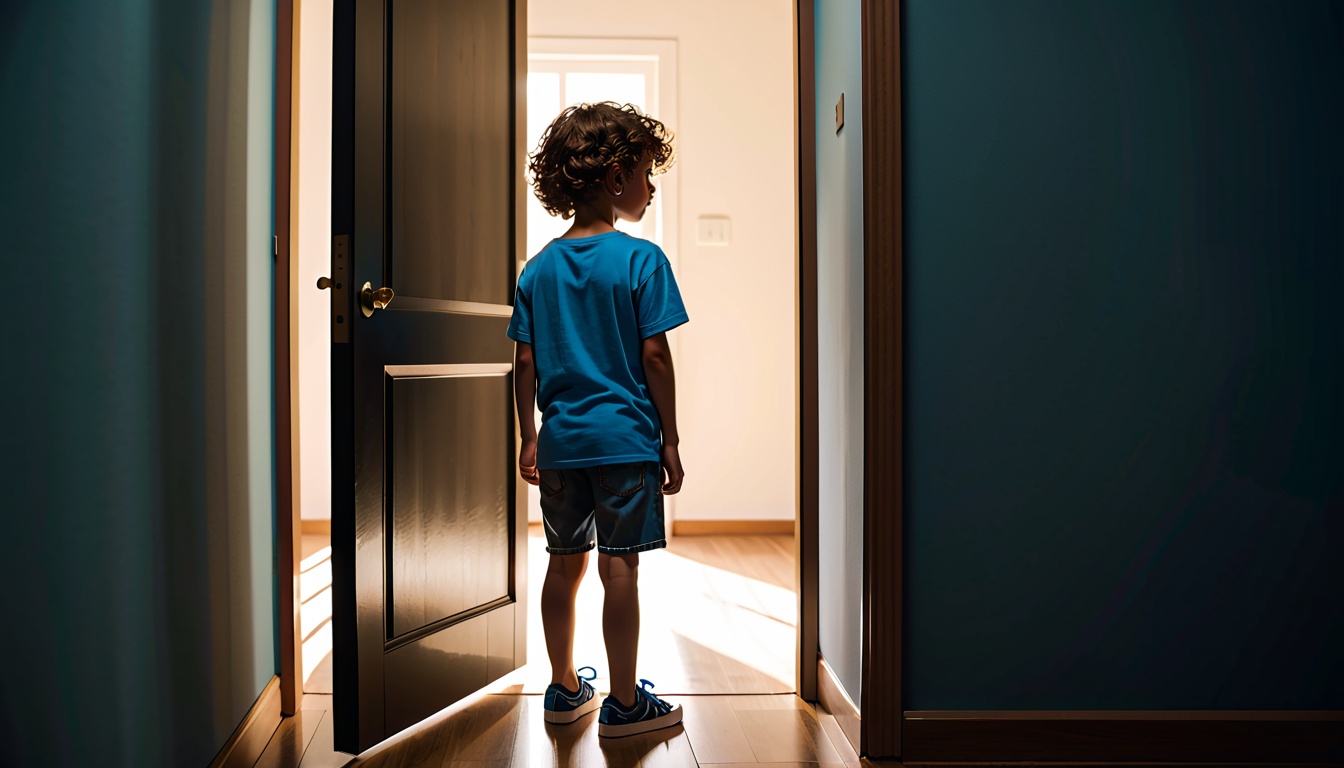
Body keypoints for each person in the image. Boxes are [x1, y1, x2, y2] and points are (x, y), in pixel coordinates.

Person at [506, 101, 687, 738]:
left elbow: (524, 362)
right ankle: (625, 705)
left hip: (561, 446)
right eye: (644, 173)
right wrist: (668, 439)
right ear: (616, 176)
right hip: (625, 442)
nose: (650, 187)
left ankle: (562, 689)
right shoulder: (642, 262)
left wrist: (530, 437)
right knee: (620, 567)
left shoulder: (537, 270)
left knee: (564, 563)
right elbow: (655, 356)